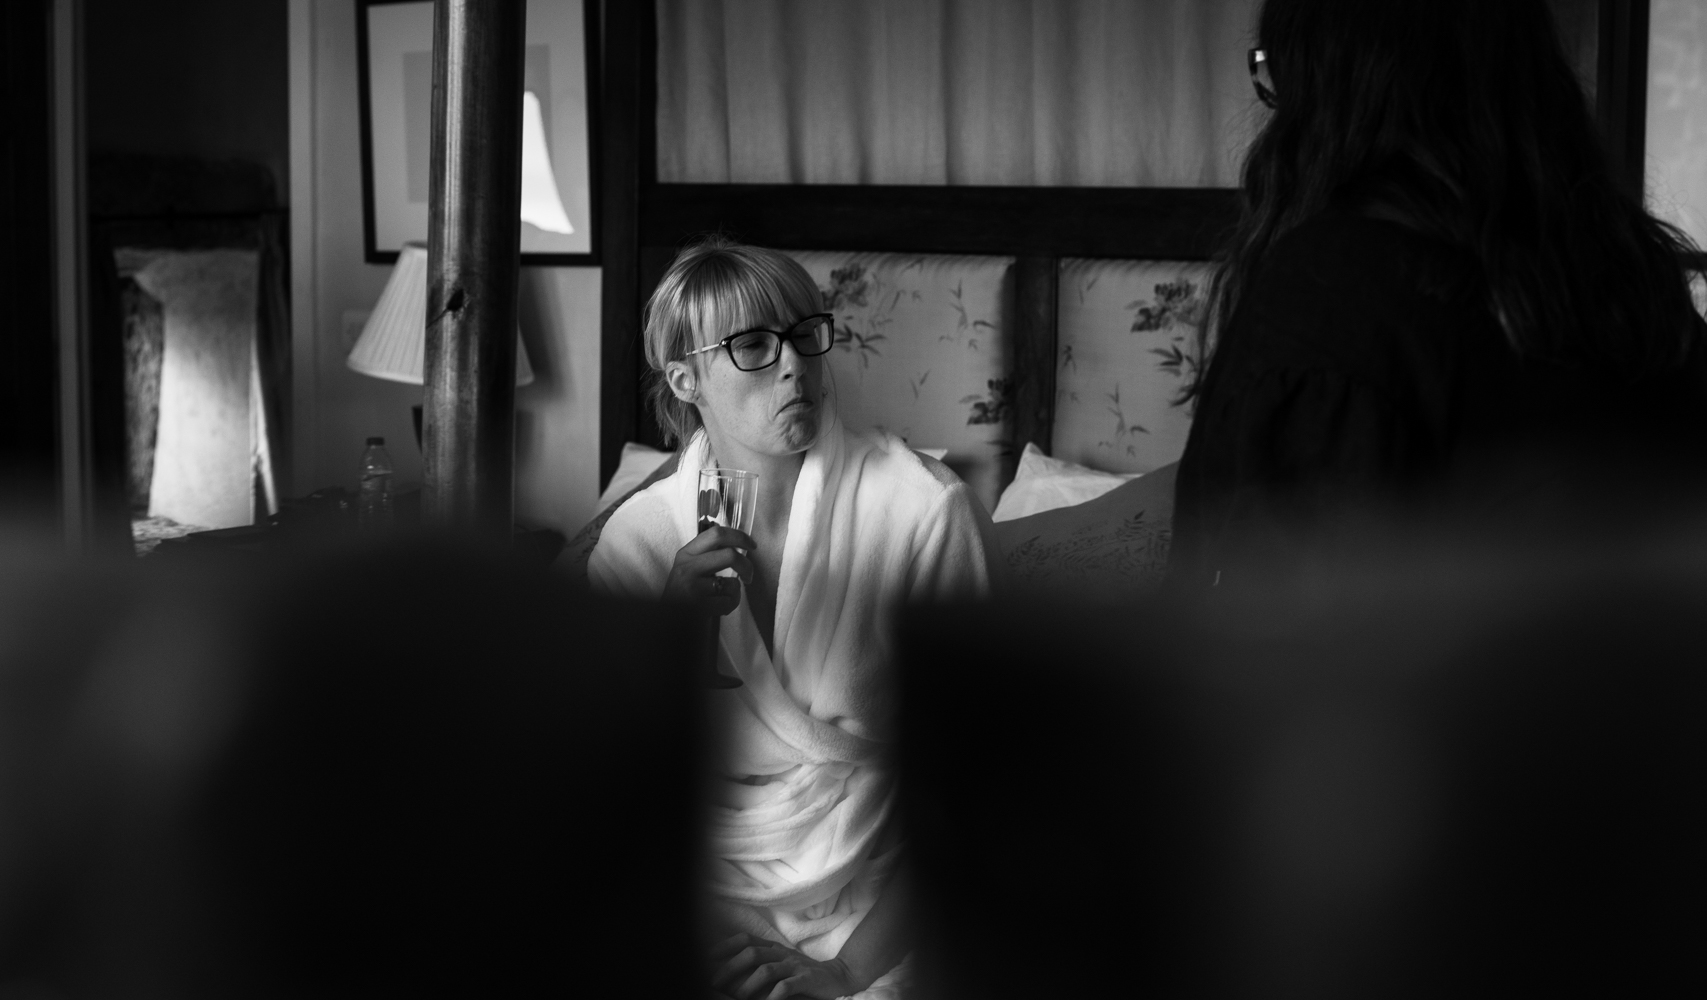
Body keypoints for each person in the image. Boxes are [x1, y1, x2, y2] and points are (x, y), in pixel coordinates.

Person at [1169, 0, 1707, 587]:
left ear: (1325, 88)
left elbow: (1273, 639)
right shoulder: (1636, 279)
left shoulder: (1338, 291)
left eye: (1276, 74)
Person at [588, 237, 998, 1000]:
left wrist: (842, 972)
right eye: (751, 345)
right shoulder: (640, 541)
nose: (793, 366)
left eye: (805, 333)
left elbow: (969, 791)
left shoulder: (920, 512)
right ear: (685, 378)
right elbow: (602, 794)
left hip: (876, 909)